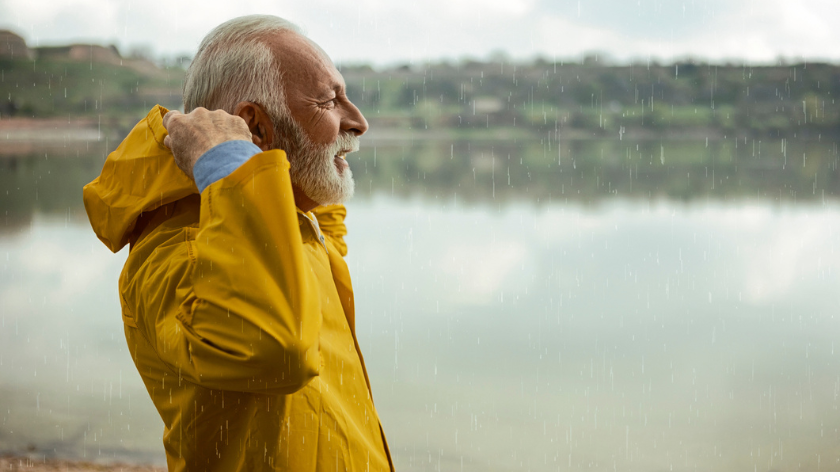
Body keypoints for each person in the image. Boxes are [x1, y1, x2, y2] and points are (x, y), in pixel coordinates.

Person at [83, 15, 393, 472]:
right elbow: (275, 348)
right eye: (330, 100)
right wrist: (230, 162)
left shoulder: (291, 225)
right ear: (254, 126)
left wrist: (261, 167)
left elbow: (320, 210)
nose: (359, 121)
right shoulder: (178, 252)